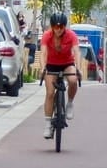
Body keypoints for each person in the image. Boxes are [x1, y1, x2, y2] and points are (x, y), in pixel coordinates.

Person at [36, 10, 85, 139]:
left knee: (73, 80)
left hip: (67, 63)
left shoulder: (71, 35)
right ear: (52, 27)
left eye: (61, 27)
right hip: (51, 65)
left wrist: (78, 68)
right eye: (56, 27)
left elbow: (77, 52)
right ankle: (47, 124)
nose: (58, 30)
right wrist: (43, 68)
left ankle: (69, 103)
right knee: (50, 93)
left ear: (65, 26)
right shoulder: (47, 35)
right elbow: (43, 53)